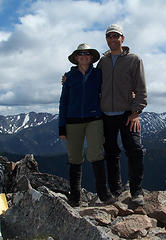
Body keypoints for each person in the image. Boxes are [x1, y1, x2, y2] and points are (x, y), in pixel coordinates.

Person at [58, 43, 115, 207]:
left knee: (96, 154)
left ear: (91, 58)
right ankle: (75, 197)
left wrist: (130, 93)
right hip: (72, 121)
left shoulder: (99, 74)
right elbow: (64, 102)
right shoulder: (69, 77)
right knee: (74, 158)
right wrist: (61, 126)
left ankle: (104, 194)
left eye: (87, 54)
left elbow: (112, 85)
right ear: (76, 58)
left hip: (94, 119)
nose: (83, 56)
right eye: (80, 54)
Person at [97, 24, 147, 206]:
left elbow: (141, 88)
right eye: (109, 36)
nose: (112, 39)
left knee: (135, 150)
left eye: (115, 36)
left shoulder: (134, 60)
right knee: (111, 153)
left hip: (127, 113)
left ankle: (136, 191)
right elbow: (94, 83)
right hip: (106, 114)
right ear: (106, 39)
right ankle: (116, 190)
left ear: (122, 39)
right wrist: (68, 77)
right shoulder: (102, 62)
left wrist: (136, 112)